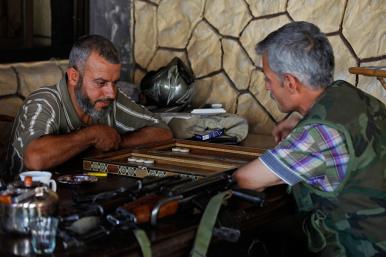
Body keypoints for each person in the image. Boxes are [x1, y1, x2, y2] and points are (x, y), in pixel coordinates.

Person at [234, 21, 386, 257]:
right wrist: (301, 124)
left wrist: (304, 133)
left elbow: (247, 179)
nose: (266, 88)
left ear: (290, 82)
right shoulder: (351, 96)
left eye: (268, 78)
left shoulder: (319, 134)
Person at [6, 35, 173, 176]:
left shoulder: (109, 99)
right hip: (26, 205)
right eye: (100, 83)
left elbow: (162, 132)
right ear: (74, 77)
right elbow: (34, 159)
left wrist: (117, 141)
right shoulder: (44, 102)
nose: (112, 93)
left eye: (114, 83)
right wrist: (91, 136)